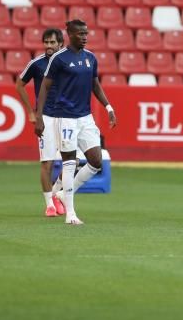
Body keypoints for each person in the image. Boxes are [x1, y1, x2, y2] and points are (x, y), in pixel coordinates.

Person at [34, 20, 117, 226]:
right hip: (65, 117)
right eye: (80, 33)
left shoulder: (90, 58)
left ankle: (62, 195)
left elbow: (95, 85)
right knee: (69, 163)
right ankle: (71, 213)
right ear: (69, 34)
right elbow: (44, 87)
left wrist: (108, 107)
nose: (85, 37)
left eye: (86, 33)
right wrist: (39, 116)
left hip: (85, 117)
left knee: (96, 161)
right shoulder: (59, 59)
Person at [15, 28, 66, 216]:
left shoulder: (68, 62)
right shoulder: (36, 64)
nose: (49, 46)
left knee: (73, 161)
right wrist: (31, 112)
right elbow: (19, 84)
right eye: (46, 42)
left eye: (52, 42)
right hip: (45, 119)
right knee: (47, 162)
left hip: (67, 117)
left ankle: (55, 194)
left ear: (60, 43)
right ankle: (50, 205)